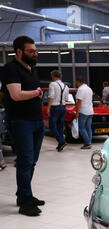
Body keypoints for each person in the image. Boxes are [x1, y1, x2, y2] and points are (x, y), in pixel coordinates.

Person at [1, 36, 45, 216]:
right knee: (25, 161)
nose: (35, 54)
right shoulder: (10, 69)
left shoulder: (31, 68)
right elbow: (16, 95)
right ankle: (25, 203)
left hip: (36, 121)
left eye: (35, 51)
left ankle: (23, 194)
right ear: (19, 51)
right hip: (21, 122)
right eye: (31, 51)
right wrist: (36, 92)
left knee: (32, 161)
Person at [48, 70, 69, 152]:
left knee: (52, 127)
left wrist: (48, 108)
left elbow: (51, 96)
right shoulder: (66, 86)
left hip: (55, 108)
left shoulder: (52, 84)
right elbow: (67, 99)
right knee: (60, 127)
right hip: (63, 107)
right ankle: (60, 144)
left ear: (53, 76)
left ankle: (62, 141)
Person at [75, 76, 94, 149]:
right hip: (90, 111)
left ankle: (87, 143)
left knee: (82, 128)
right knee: (88, 128)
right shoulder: (89, 88)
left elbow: (79, 102)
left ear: (78, 81)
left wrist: (76, 112)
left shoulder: (81, 89)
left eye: (76, 82)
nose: (76, 84)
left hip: (83, 111)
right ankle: (89, 142)